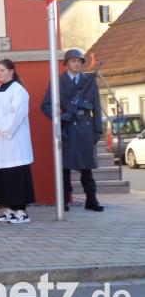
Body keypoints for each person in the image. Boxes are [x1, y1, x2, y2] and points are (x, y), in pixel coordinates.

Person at [41, 49, 104, 212]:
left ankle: (91, 200)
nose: (76, 64)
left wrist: (98, 130)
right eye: (73, 61)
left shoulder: (89, 80)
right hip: (67, 128)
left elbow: (97, 106)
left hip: (85, 127)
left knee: (87, 168)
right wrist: (60, 117)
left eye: (79, 61)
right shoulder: (58, 81)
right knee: (65, 168)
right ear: (66, 63)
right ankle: (64, 201)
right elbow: (46, 105)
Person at [0, 59, 35, 224]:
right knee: (2, 176)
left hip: (14, 141)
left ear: (11, 71)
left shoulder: (19, 91)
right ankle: (9, 209)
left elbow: (16, 116)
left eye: (2, 70)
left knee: (16, 175)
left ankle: (21, 211)